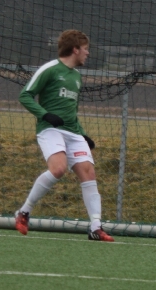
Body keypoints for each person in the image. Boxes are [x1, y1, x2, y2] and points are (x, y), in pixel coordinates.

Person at [14, 30, 113, 242]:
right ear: (75, 49)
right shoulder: (50, 69)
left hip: (73, 132)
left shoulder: (77, 76)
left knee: (88, 173)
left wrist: (83, 135)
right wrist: (45, 115)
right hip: (50, 129)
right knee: (58, 169)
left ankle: (96, 227)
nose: (87, 53)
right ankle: (24, 212)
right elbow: (25, 95)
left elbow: (72, 111)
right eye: (85, 49)